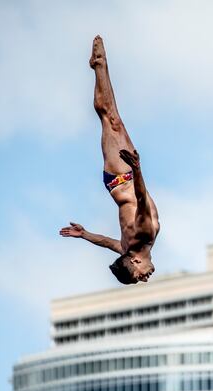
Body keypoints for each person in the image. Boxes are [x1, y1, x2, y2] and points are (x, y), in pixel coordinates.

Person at [60, 35, 160, 284]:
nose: (144, 278)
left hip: (123, 175)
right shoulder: (128, 248)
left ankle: (99, 64)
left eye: (138, 277)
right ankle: (100, 65)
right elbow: (107, 243)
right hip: (118, 180)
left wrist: (136, 170)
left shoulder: (143, 235)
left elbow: (141, 198)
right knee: (111, 118)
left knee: (110, 117)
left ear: (135, 262)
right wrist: (84, 235)